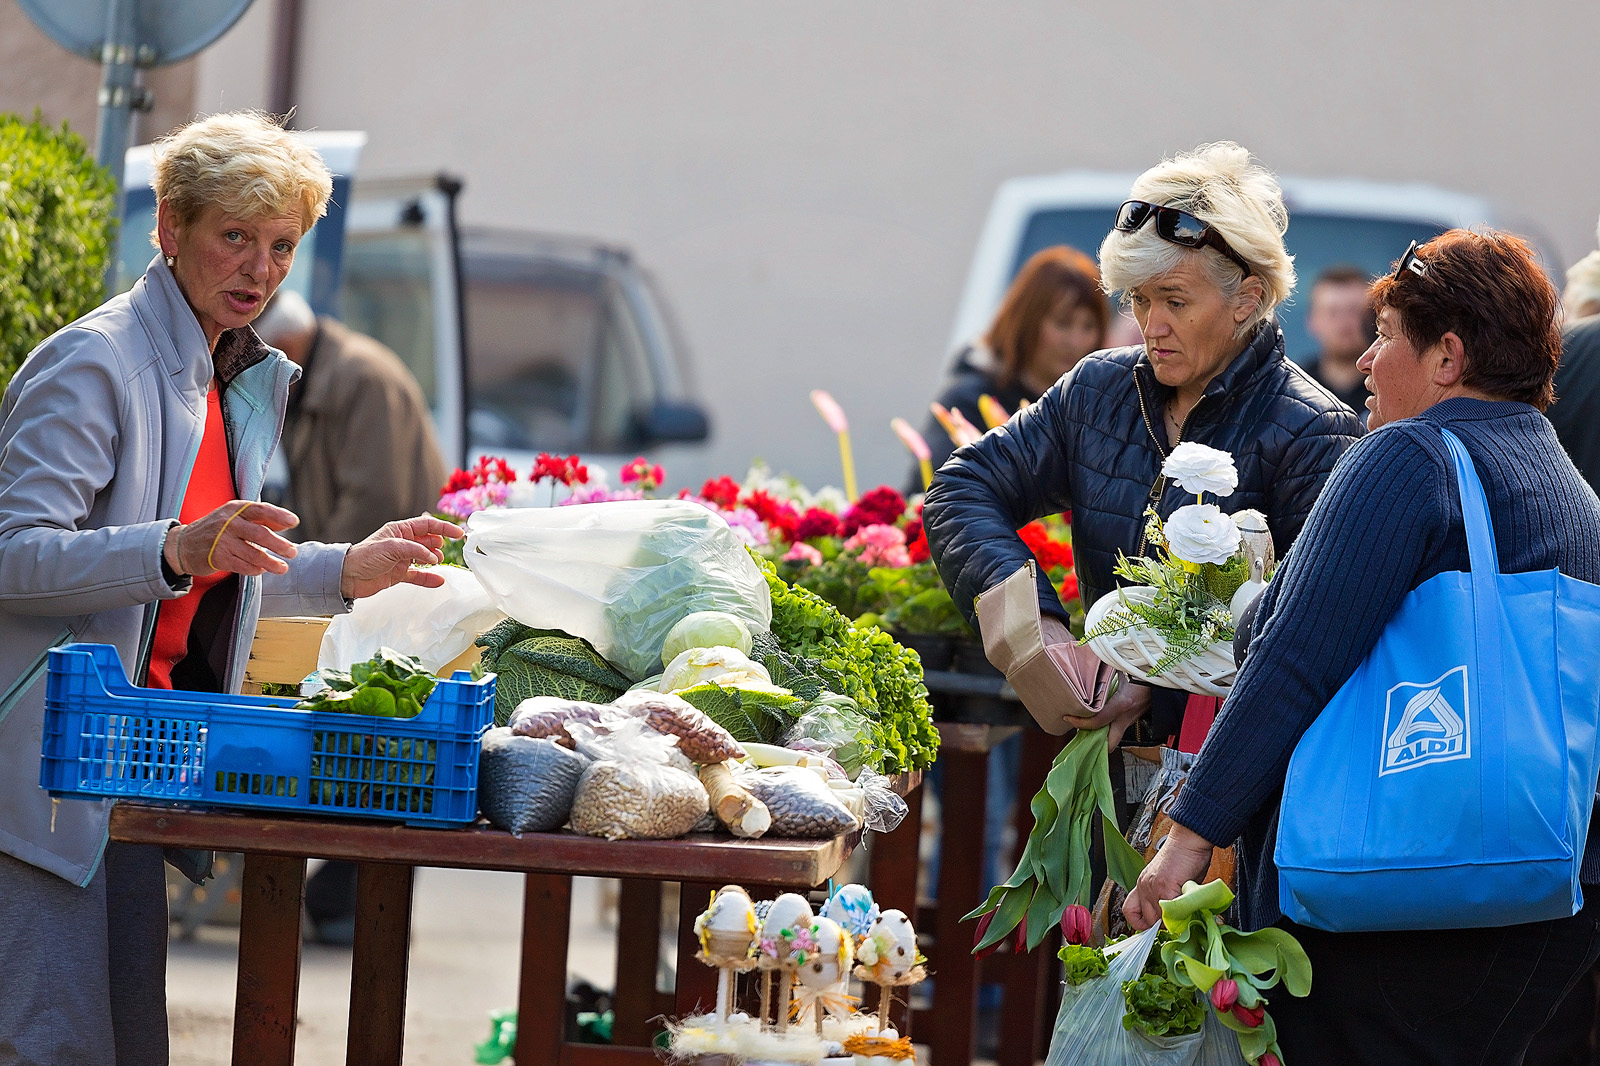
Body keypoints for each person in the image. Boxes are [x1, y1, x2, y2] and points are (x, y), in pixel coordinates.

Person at [0, 111, 463, 1064]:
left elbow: (219, 558)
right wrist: (174, 548)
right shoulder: (98, 362)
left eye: (281, 245)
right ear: (170, 228)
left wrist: (347, 568)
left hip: (128, 775)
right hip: (40, 792)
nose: (259, 268)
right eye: (235, 236)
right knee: (50, 1049)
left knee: (120, 1049)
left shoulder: (216, 371)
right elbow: (13, 555)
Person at [1123, 229, 1600, 1065]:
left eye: (1386, 337)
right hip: (1543, 900)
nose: (1367, 362)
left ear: (1448, 357)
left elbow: (1292, 660)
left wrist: (1190, 835)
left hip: (1392, 902)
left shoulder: (1408, 457)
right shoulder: (1566, 484)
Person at [924, 141, 1363, 749]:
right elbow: (961, 486)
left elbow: (1313, 639)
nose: (1151, 326)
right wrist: (1039, 631)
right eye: (1139, 298)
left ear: (1248, 300)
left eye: (1175, 302)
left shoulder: (1317, 431)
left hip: (1232, 794)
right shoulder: (1098, 390)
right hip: (1103, 761)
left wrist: (1151, 683)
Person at [254, 290, 448, 544]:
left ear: (285, 349)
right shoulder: (312, 383)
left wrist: (322, 574)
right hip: (362, 569)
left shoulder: (364, 379)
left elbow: (374, 504)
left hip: (400, 572)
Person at [913, 245, 1108, 490]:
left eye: (1088, 327)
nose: (1075, 341)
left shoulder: (1097, 406)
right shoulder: (969, 402)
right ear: (1027, 321)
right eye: (1063, 323)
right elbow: (932, 493)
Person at [1303, 263, 1376, 413]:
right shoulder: (1294, 388)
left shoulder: (1393, 387)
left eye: (1354, 311)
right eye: (1333, 312)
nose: (1344, 322)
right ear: (1312, 320)